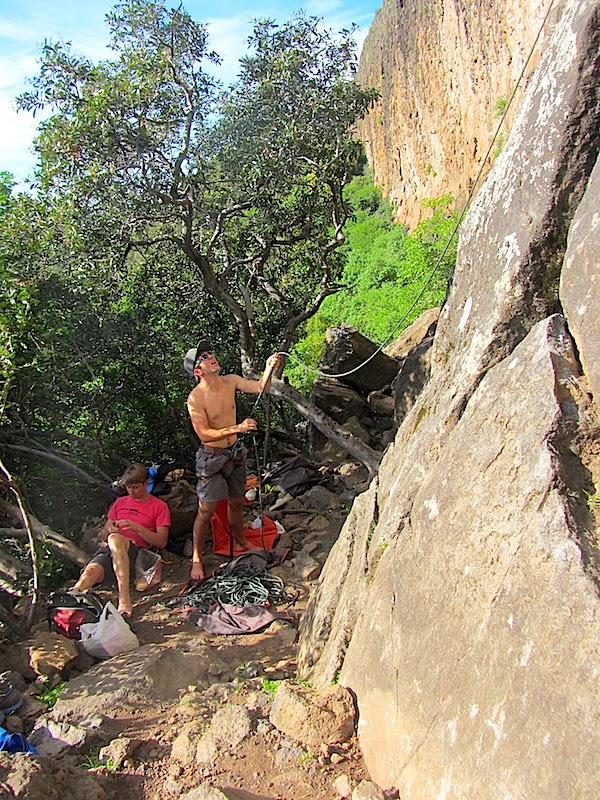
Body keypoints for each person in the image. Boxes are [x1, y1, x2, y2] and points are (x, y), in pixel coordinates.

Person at [184, 338, 280, 581]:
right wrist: (237, 428)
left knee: (236, 503)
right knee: (206, 510)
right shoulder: (195, 399)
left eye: (209, 353)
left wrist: (269, 368)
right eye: (203, 357)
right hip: (211, 458)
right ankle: (197, 557)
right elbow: (204, 433)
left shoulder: (231, 381)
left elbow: (261, 387)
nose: (210, 357)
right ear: (197, 371)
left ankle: (241, 542)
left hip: (235, 453)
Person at [74, 463, 170, 617]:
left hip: (137, 552)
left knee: (116, 539)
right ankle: (71, 601)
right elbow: (104, 534)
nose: (131, 491)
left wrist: (137, 528)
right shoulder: (120, 503)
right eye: (128, 487)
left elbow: (161, 541)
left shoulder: (159, 506)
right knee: (90, 572)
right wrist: (109, 529)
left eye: (136, 487)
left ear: (146, 484)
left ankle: (124, 598)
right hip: (112, 550)